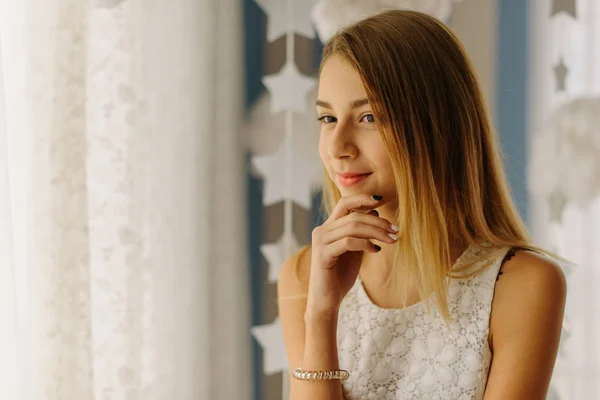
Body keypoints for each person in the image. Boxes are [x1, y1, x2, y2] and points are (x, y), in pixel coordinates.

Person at [277, 9, 567, 400]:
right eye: (327, 118)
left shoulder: (523, 285)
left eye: (368, 117)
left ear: (435, 125)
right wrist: (321, 314)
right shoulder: (303, 277)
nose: (338, 147)